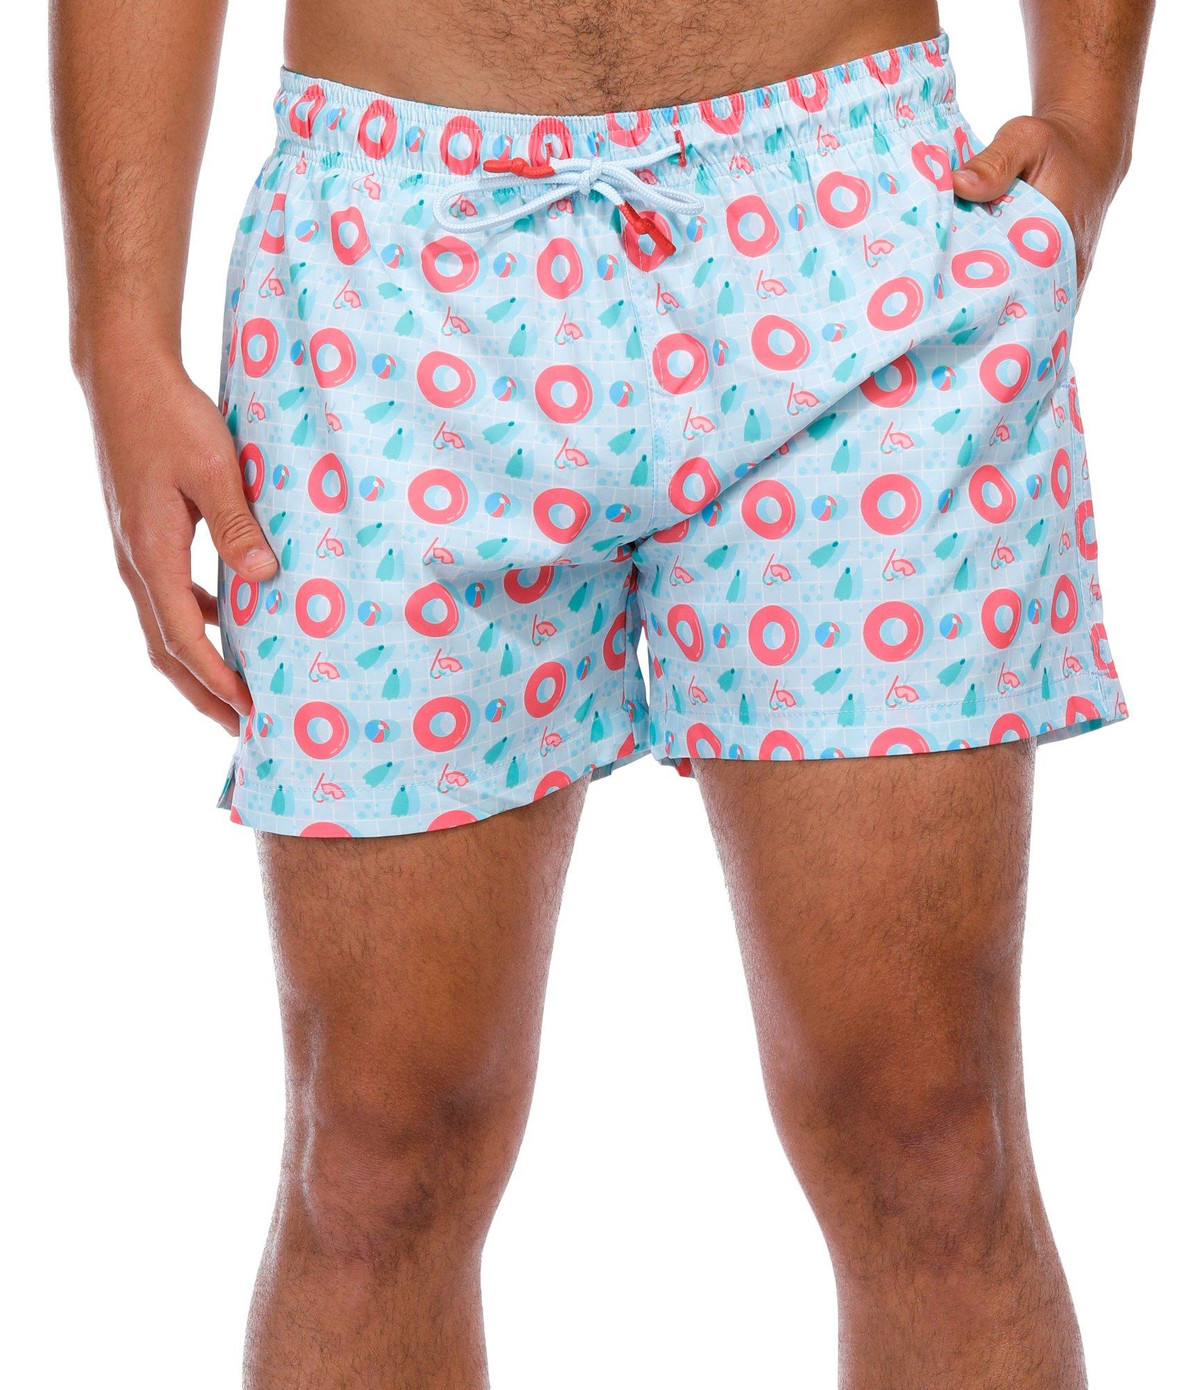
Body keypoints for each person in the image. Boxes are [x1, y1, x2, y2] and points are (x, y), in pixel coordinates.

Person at [52, 0, 1152, 1383]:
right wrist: (117, 331)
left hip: (848, 220)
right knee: (377, 1150)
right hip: (391, 259)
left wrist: (1092, 117)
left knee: (928, 1130)